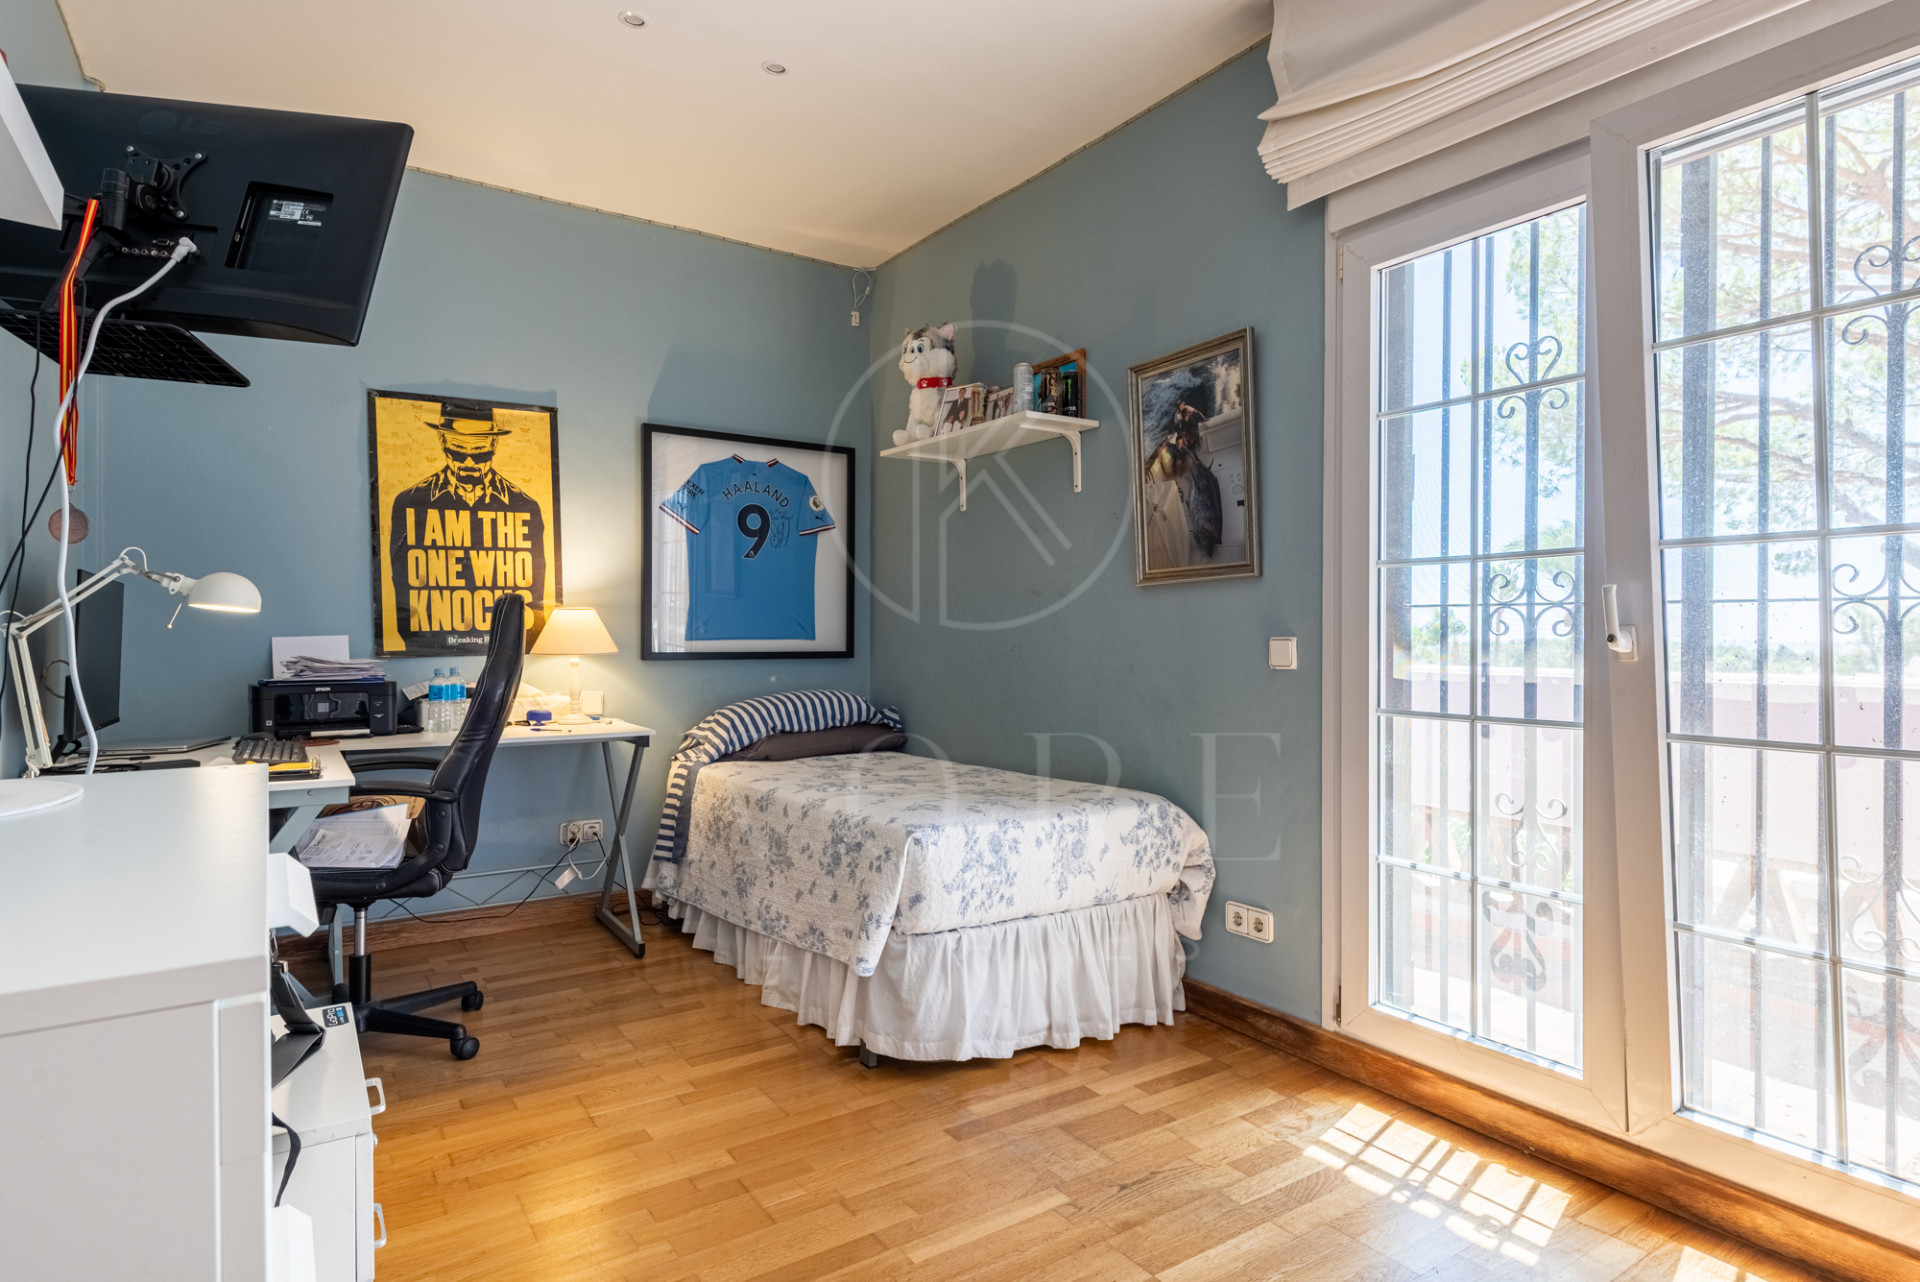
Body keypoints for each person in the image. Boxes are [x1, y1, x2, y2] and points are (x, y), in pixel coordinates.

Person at [387, 410, 547, 653]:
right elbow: (403, 590)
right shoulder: (408, 501)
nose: (469, 463)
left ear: (494, 444)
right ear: (443, 441)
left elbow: (533, 597)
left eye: (480, 452)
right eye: (458, 451)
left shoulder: (525, 505)